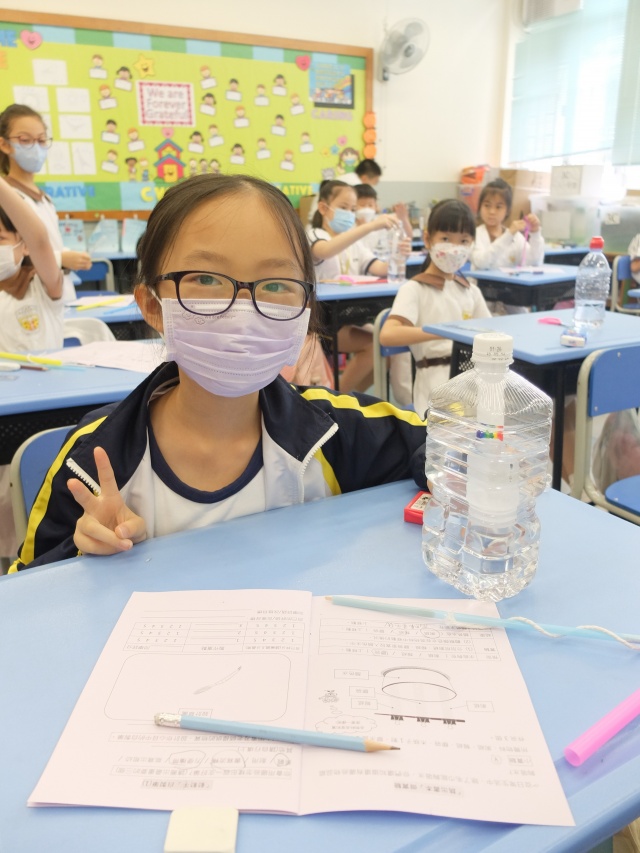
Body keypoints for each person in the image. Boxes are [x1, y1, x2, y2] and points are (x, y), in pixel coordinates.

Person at [10, 174, 427, 572]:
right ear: (153, 305)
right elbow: (28, 586)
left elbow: (448, 449)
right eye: (206, 278)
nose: (242, 309)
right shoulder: (97, 456)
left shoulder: (338, 432)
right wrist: (85, 551)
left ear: (305, 307)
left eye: (276, 284)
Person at [379, 199, 491, 419]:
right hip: (435, 383)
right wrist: (444, 331)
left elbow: (490, 333)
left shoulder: (470, 291)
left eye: (464, 241)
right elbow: (388, 335)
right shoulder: (414, 288)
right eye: (446, 239)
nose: (455, 248)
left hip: (473, 377)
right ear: (428, 239)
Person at [0, 174, 62, 560]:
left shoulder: (43, 285)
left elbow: (40, 237)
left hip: (47, 410)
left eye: (0, 238)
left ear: (21, 244)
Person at [307, 179, 409, 393]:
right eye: (344, 207)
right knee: (373, 345)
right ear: (323, 208)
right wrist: (370, 226)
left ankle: (351, 396)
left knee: (386, 348)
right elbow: (326, 250)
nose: (349, 214)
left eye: (353, 209)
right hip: (321, 320)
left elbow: (379, 268)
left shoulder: (355, 243)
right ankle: (337, 398)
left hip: (348, 314)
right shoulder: (315, 234)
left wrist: (399, 255)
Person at [0, 104, 92, 304]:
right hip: (24, 302)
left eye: (41, 140)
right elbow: (7, 259)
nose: (36, 148)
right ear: (4, 144)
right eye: (25, 140)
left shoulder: (45, 199)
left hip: (57, 299)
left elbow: (50, 242)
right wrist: (60, 259)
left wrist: (66, 255)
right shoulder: (6, 199)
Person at [471, 178, 544, 315]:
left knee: (525, 320)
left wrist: (535, 233)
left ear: (507, 210)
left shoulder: (516, 237)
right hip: (483, 300)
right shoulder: (475, 234)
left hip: (511, 299)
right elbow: (482, 262)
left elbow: (534, 262)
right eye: (487, 205)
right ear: (480, 207)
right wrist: (508, 235)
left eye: (498, 207)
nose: (492, 211)